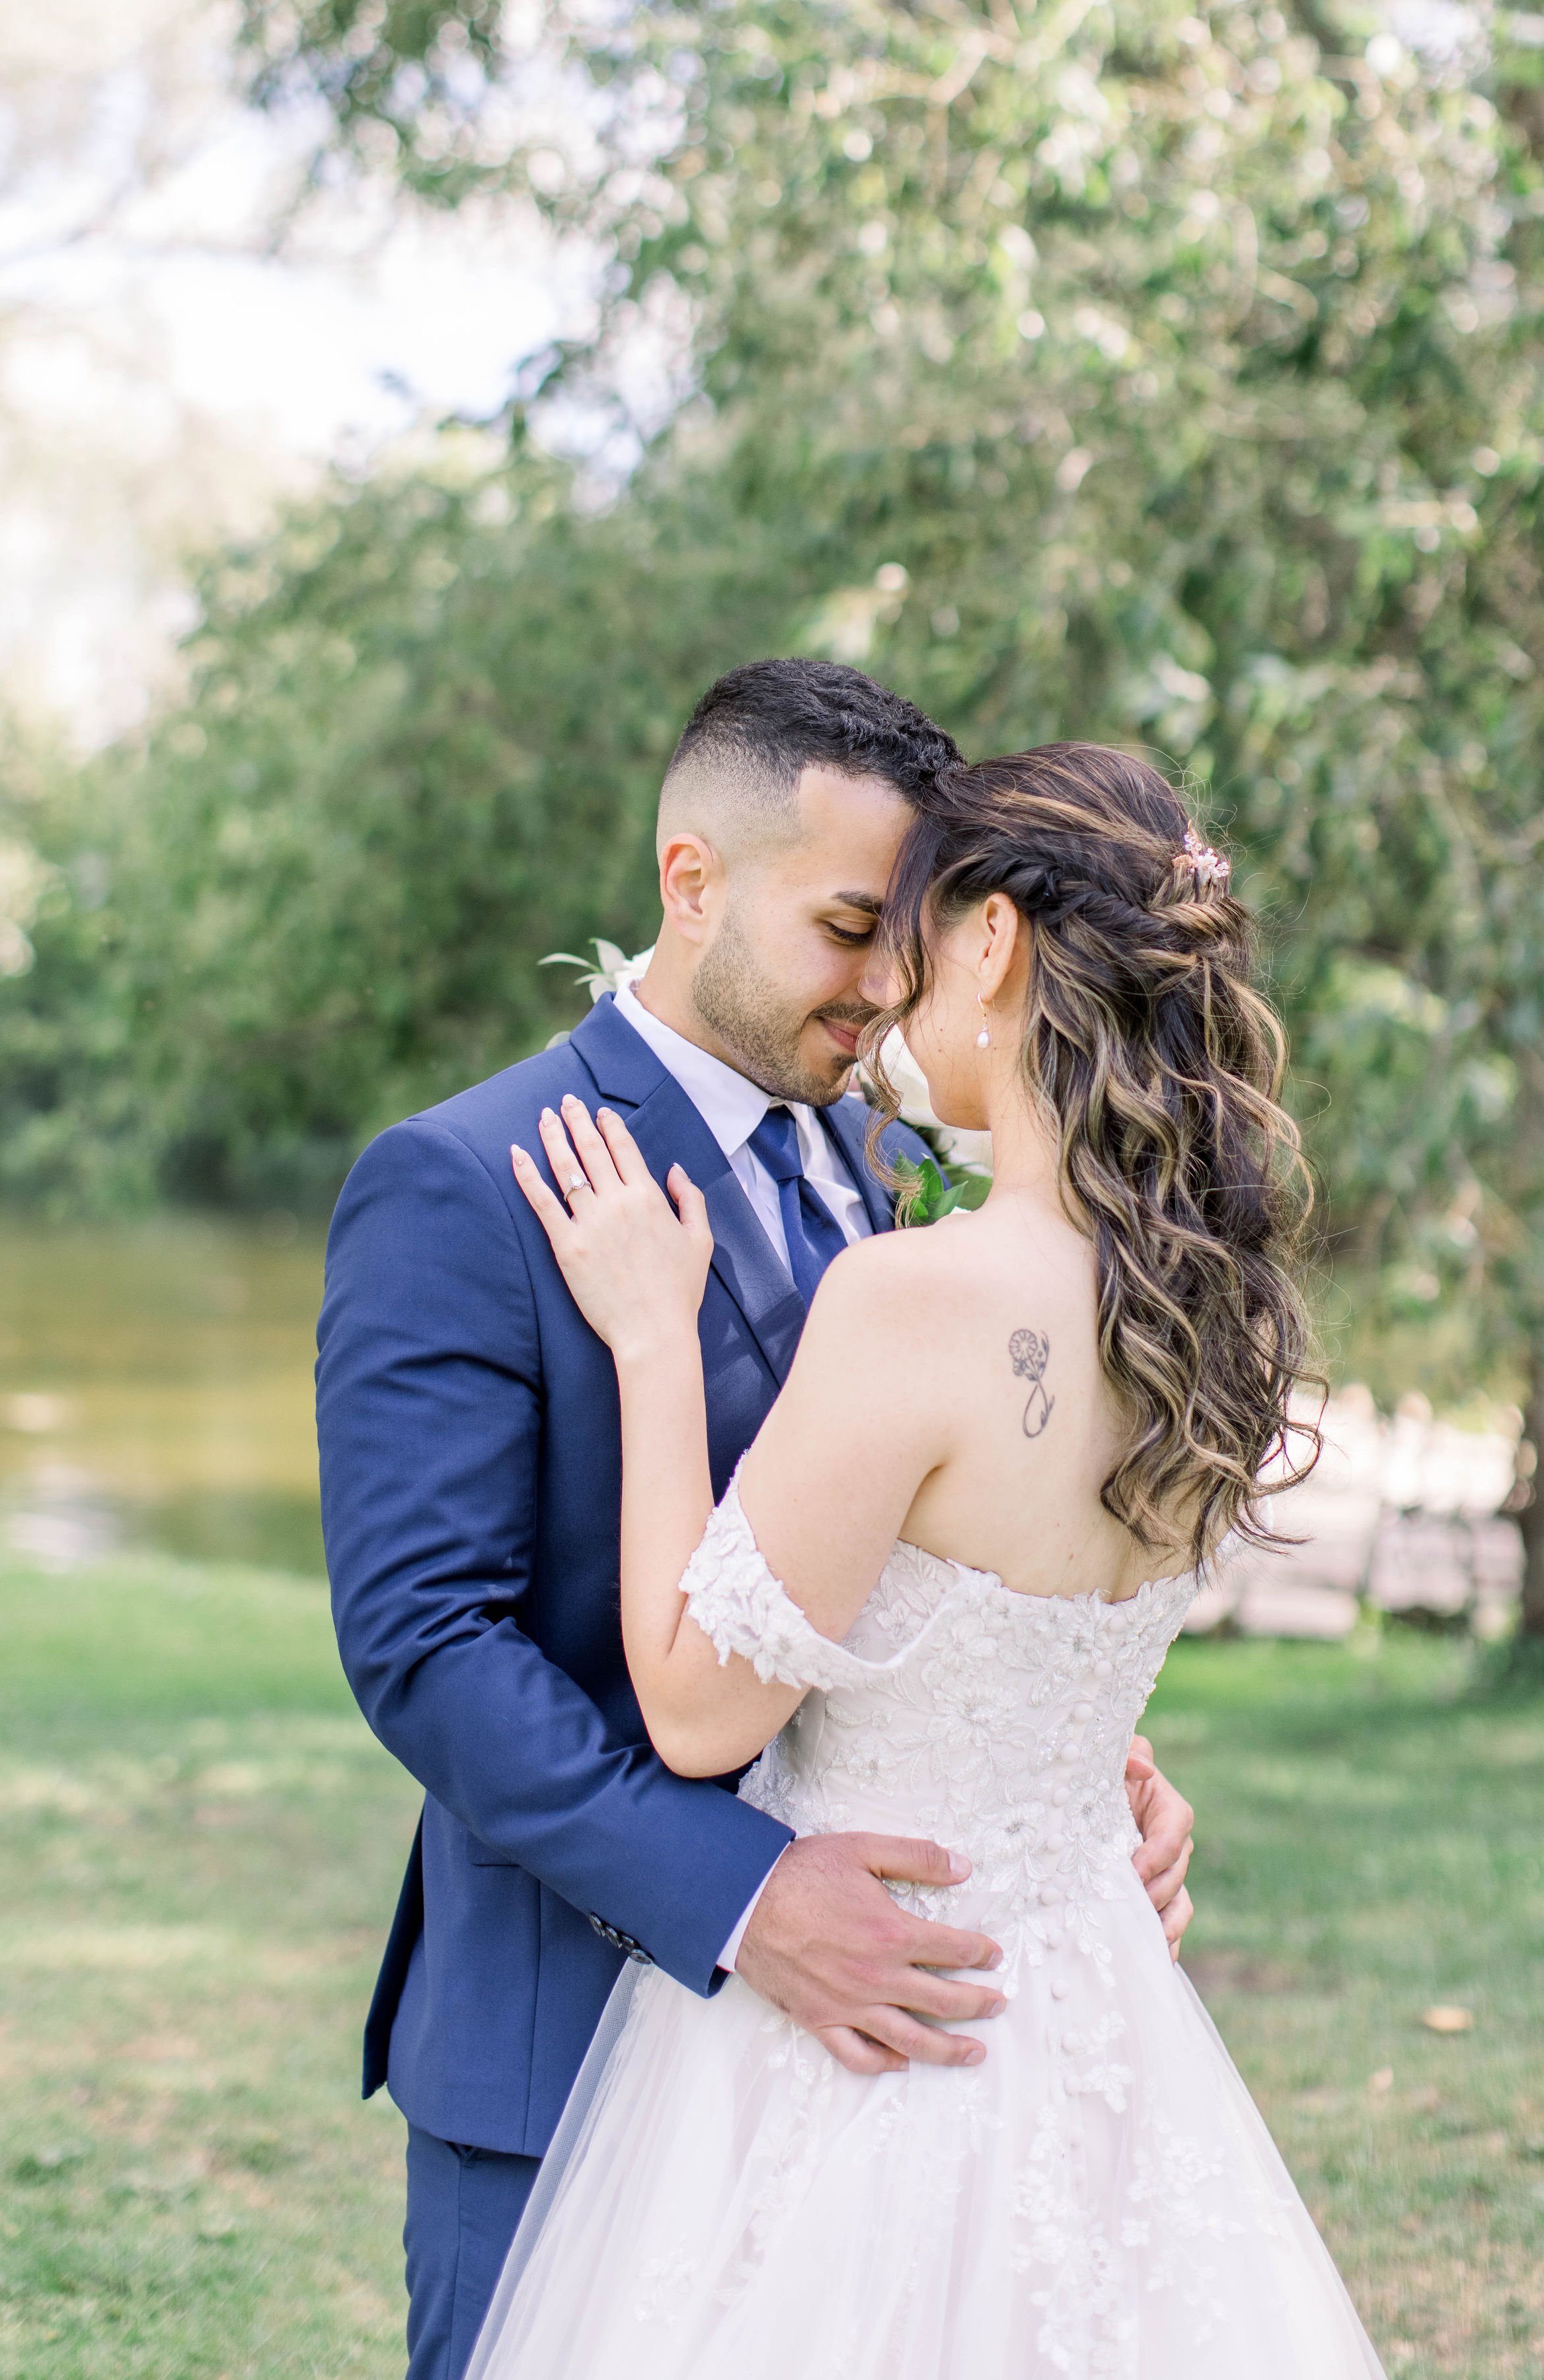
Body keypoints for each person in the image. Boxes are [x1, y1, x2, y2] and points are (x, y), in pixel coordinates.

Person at [316, 665, 1197, 2380]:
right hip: (564, 2053)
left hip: (873, 2089)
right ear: (692, 879)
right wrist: (740, 1896)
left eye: (914, 939)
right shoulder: (462, 1179)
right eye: (851, 926)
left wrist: (1081, 1751)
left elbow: (906, 1548)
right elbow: (426, 1646)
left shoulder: (875, 1177)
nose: (886, 990)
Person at [480, 741, 1386, 2378]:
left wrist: (651, 1342)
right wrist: (1109, 1761)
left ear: (992, 945)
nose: (888, 994)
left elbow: (697, 1715)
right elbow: (1039, 1641)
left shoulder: (919, 1297)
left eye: (914, 935)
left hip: (874, 2034)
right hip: (1092, 2014)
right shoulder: (1212, 1311)